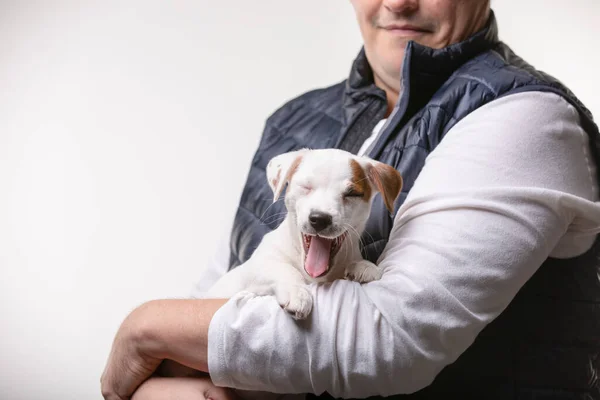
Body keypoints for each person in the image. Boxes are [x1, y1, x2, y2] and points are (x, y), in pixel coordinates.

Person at [101, 1, 600, 399]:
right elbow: (217, 283)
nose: (399, 3)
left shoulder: (523, 117)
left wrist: (148, 327)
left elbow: (386, 340)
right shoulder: (293, 121)